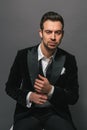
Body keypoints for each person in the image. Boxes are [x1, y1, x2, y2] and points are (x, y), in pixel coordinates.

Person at [5, 11, 79, 130]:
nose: (53, 37)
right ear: (41, 33)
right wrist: (29, 96)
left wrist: (51, 90)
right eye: (48, 32)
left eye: (58, 33)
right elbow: (10, 87)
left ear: (62, 34)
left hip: (56, 114)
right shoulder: (23, 55)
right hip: (28, 114)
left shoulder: (69, 59)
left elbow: (73, 97)